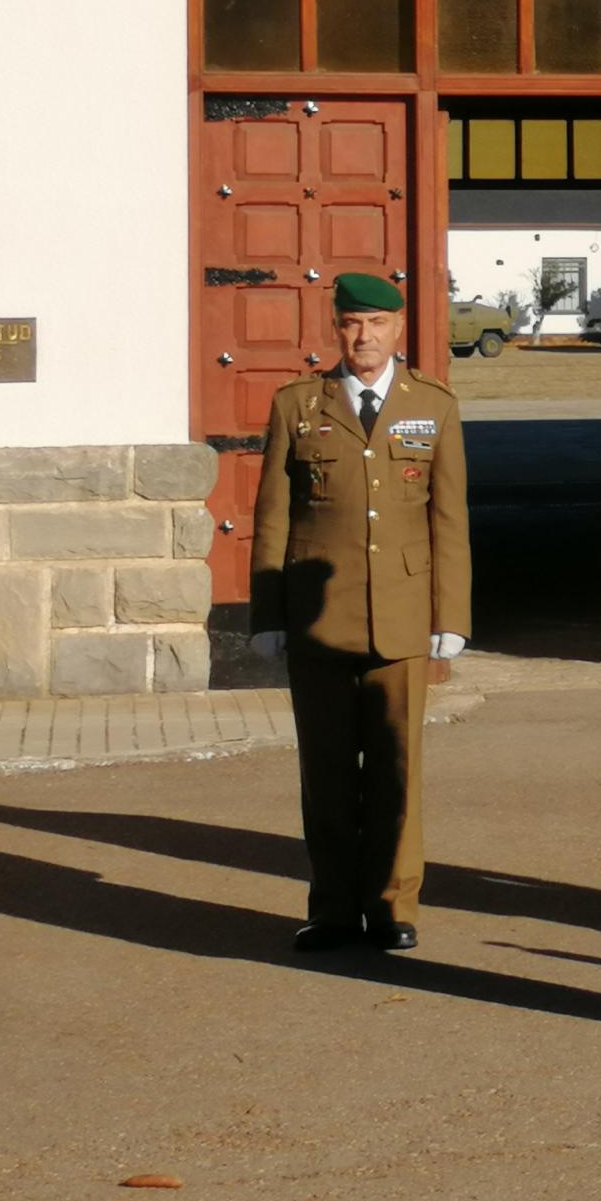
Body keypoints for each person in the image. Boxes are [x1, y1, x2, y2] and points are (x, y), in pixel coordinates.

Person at [248, 272, 470, 953]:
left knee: (399, 769)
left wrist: (451, 617)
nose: (363, 336)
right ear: (335, 329)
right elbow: (272, 519)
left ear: (399, 328)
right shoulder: (298, 405)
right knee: (328, 772)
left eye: (376, 323)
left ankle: (394, 906)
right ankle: (335, 907)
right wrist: (268, 614)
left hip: (403, 617)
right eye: (351, 324)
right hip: (320, 619)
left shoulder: (432, 405)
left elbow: (449, 518)